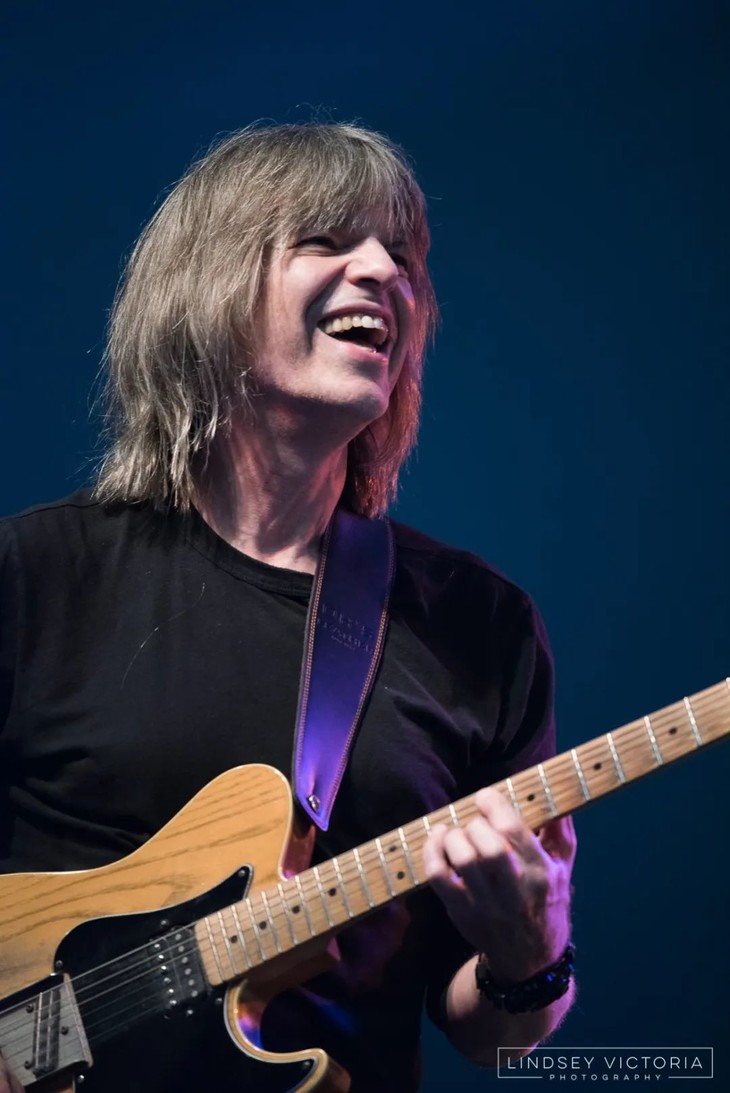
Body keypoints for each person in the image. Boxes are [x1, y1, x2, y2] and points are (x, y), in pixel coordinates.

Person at [0, 122, 576, 1093]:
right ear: (211, 290)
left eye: (402, 257)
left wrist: (533, 953)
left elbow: (496, 1041)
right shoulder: (34, 576)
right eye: (327, 239)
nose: (384, 272)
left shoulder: (480, 628)